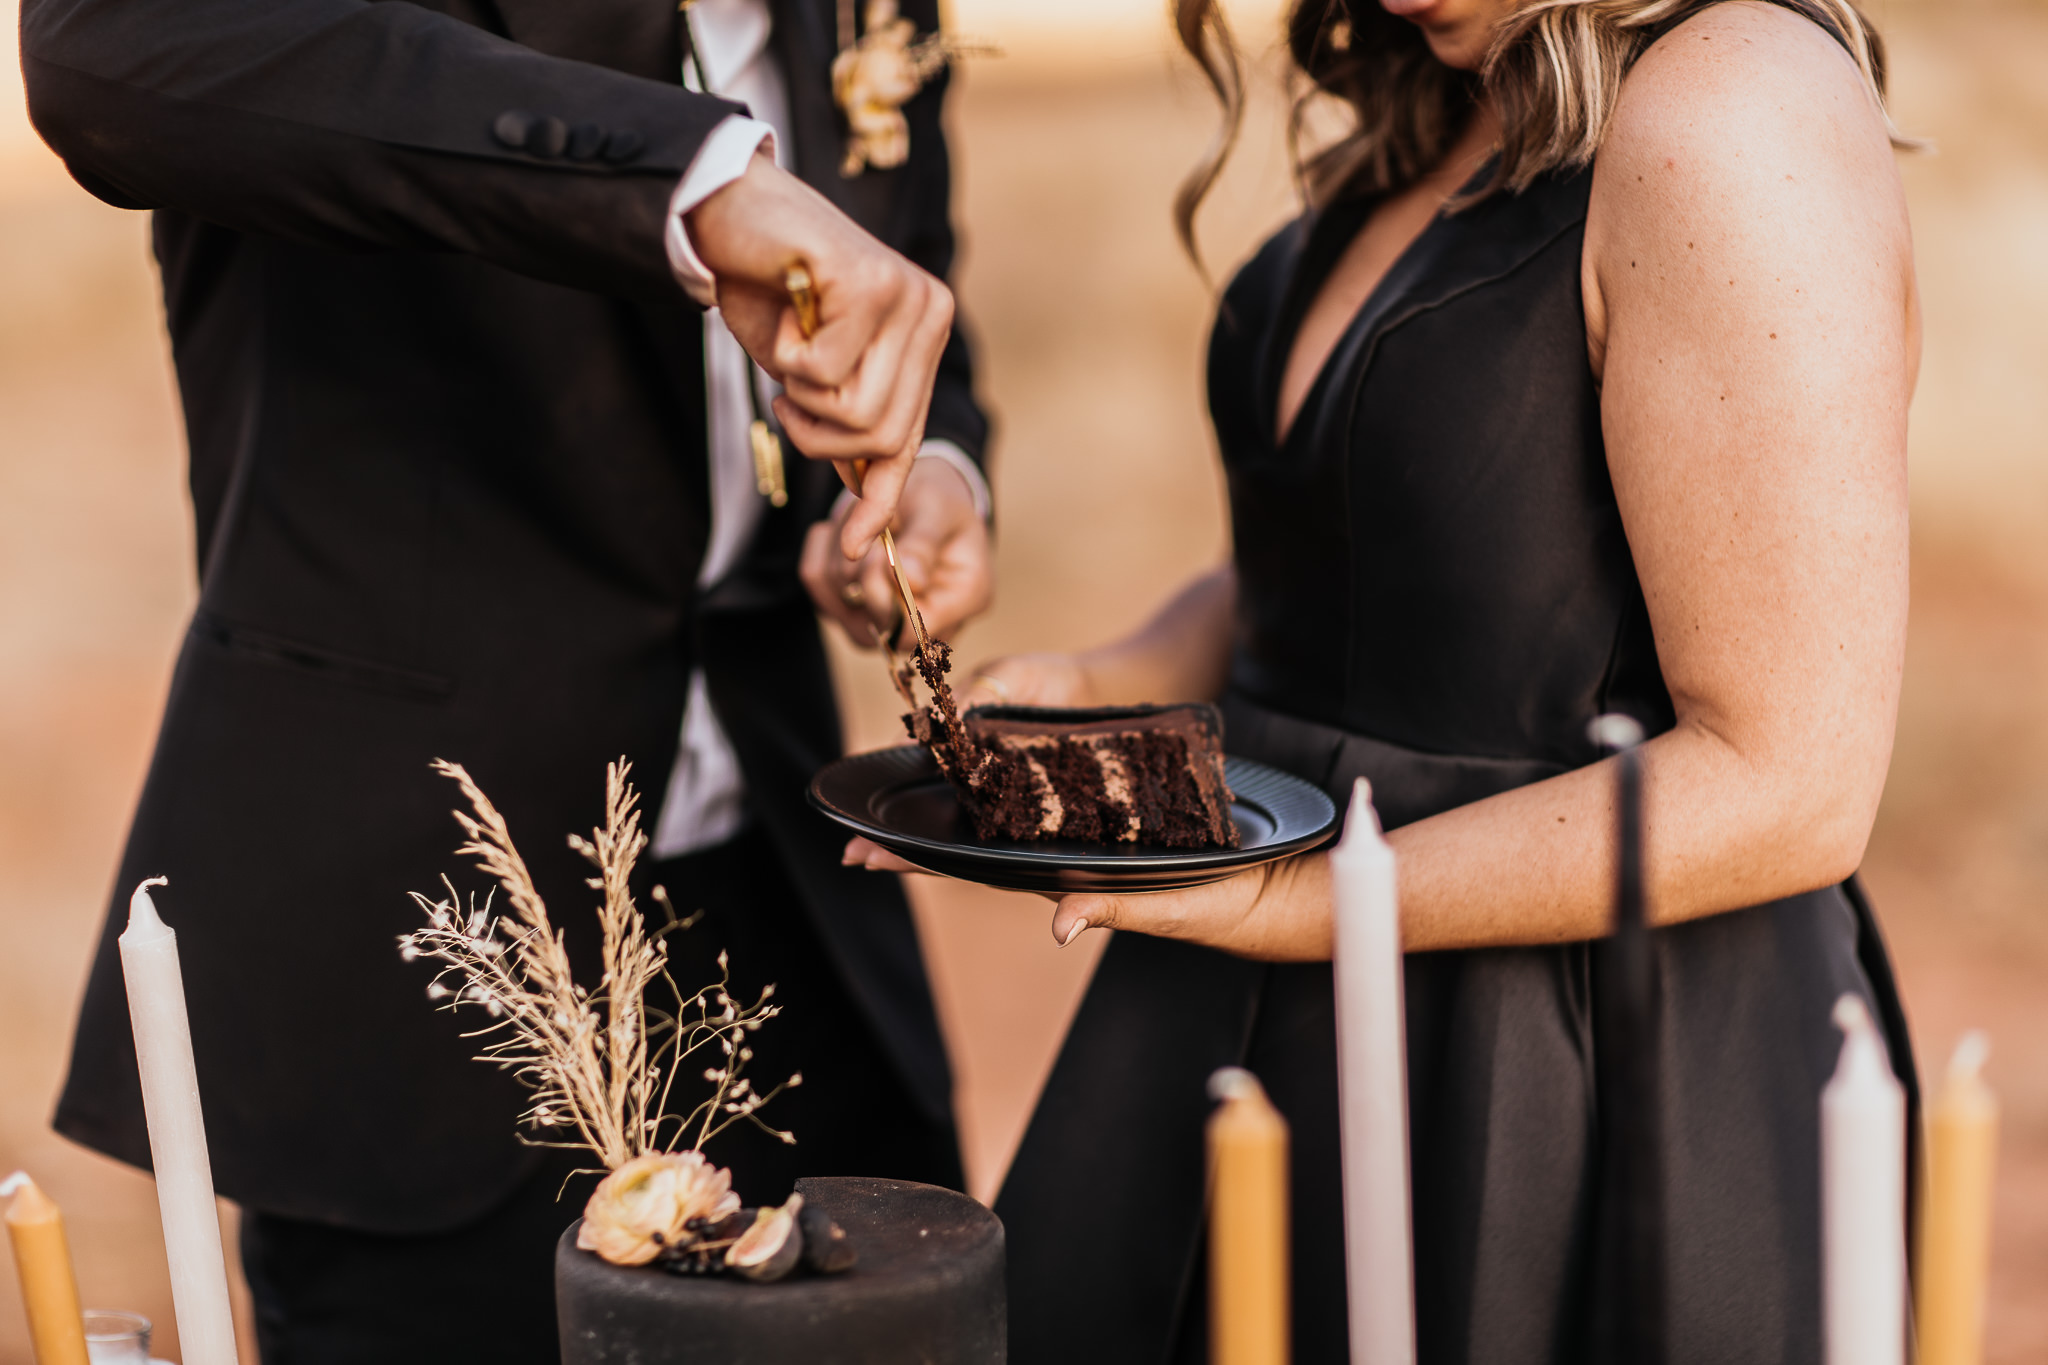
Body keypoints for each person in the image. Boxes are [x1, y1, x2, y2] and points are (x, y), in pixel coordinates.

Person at [850, 0, 1920, 1360]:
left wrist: (1294, 901)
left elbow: (1792, 778)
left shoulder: (1736, 99)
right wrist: (1100, 680)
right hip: (1254, 1001)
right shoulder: (1452, 92)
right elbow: (1391, 556)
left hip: (1567, 1074)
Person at [23, 0, 992, 1358]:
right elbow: (102, 45)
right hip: (425, 947)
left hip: (795, 911)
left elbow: (907, 264)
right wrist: (692, 180)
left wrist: (939, 465)